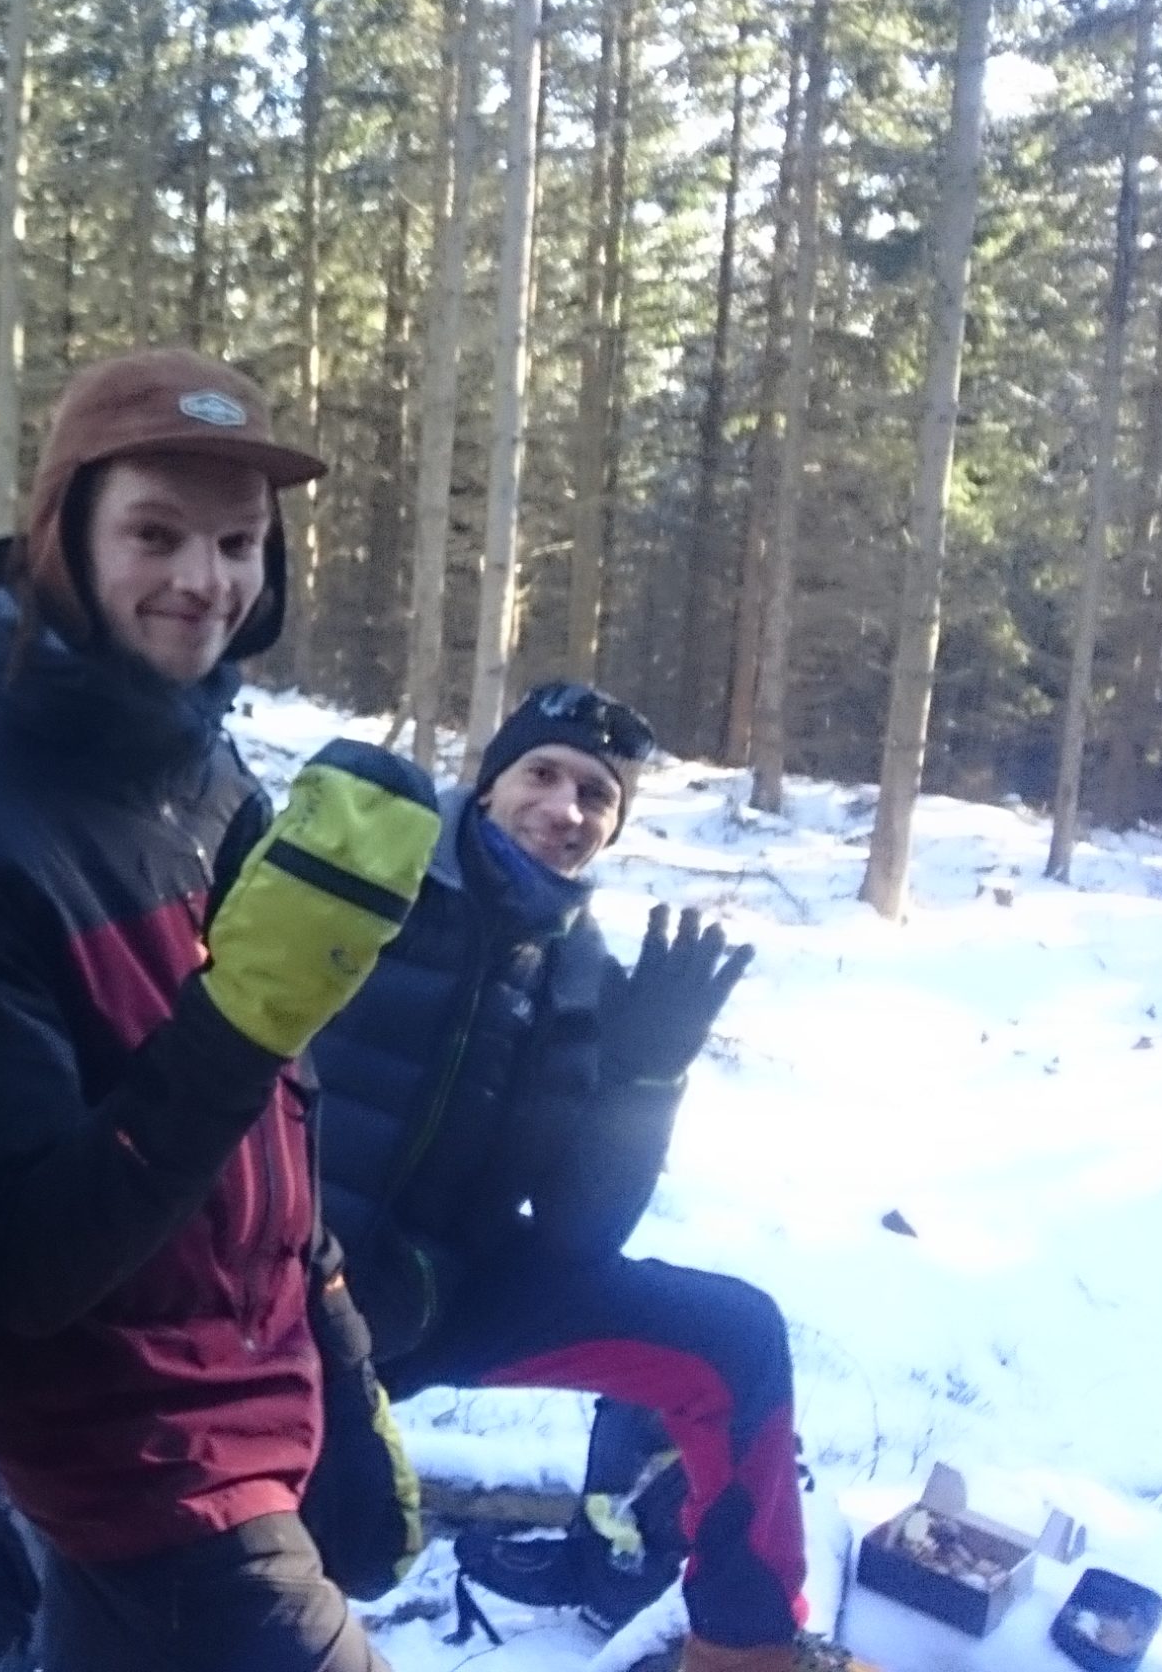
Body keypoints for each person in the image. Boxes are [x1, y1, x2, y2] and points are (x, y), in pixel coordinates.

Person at [0, 350, 443, 1672]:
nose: (205, 581)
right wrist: (241, 1018)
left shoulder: (212, 780)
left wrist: (342, 1365)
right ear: (66, 540)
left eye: (238, 542)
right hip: (131, 1465)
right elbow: (25, 1269)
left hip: (255, 1417)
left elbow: (277, 1138)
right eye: (155, 535)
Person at [310, 683, 827, 1672]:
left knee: (734, 1339)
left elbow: (576, 1239)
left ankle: (745, 1649)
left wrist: (645, 1076)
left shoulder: (574, 971)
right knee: (274, 1579)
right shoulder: (377, 876)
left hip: (431, 1302)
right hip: (272, 1295)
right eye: (541, 774)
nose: (564, 809)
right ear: (489, 783)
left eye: (596, 795)